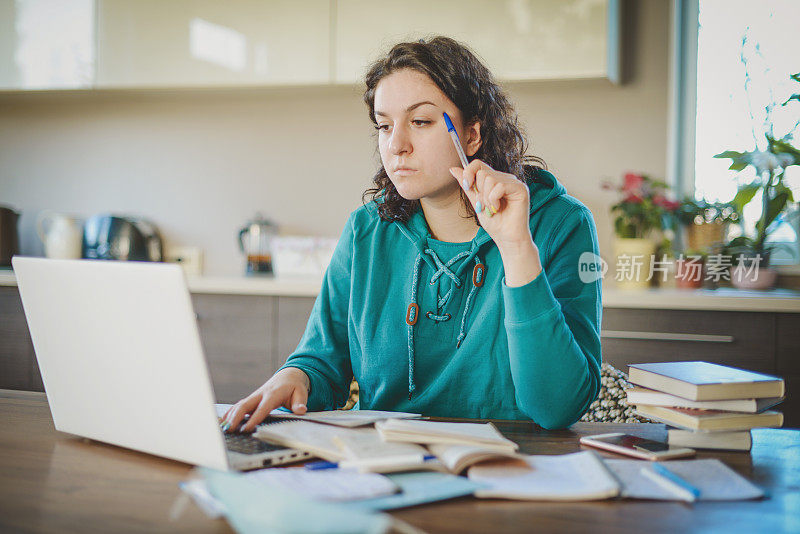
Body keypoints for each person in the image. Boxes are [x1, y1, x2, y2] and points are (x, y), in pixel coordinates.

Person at [222, 36, 601, 432]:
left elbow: (557, 407)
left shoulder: (560, 224)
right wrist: (295, 378)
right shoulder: (367, 229)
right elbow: (321, 362)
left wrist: (516, 246)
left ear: (471, 135)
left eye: (420, 122)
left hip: (513, 470)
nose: (396, 145)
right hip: (384, 464)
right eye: (384, 126)